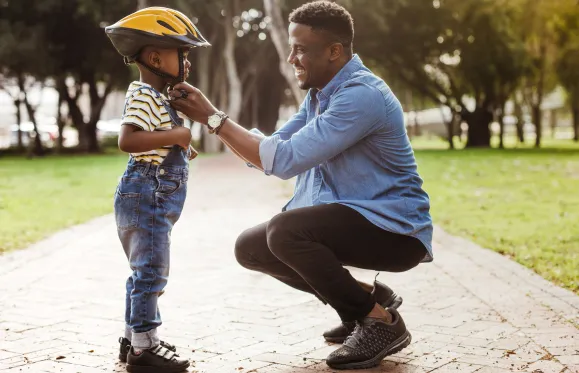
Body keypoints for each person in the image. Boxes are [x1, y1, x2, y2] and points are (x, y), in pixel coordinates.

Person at [169, 1, 433, 370]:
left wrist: (213, 118)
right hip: (356, 220)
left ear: (334, 51)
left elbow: (285, 161)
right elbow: (271, 149)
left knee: (285, 232)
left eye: (301, 49)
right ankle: (370, 300)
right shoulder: (318, 96)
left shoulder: (361, 96)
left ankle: (380, 322)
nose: (292, 58)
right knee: (251, 247)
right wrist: (214, 121)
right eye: (292, 48)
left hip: (394, 230)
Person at [105, 7, 209, 373]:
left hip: (151, 193)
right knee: (151, 272)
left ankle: (131, 338)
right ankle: (144, 349)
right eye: (184, 55)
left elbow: (156, 141)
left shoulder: (159, 97)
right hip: (146, 191)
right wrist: (179, 135)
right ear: (154, 57)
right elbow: (128, 140)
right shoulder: (144, 95)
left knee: (143, 271)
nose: (188, 63)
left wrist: (180, 145)